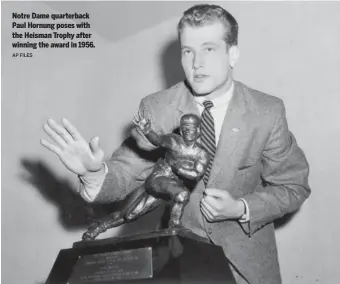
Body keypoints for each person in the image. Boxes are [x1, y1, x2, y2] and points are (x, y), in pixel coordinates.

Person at [41, 4, 311, 284]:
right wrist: (93, 173)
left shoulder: (267, 112)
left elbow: (293, 186)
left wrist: (242, 208)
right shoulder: (157, 108)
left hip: (246, 269)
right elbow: (127, 172)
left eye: (209, 49)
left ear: (233, 54)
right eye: (187, 51)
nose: (197, 63)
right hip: (178, 266)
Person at [82, 113, 210, 240]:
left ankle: (98, 227)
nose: (187, 131)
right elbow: (159, 141)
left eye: (191, 128)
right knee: (182, 194)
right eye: (184, 127)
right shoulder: (174, 141)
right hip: (158, 179)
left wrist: (178, 167)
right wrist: (148, 131)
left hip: (169, 188)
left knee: (130, 215)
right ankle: (175, 225)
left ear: (198, 130)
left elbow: (196, 174)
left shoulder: (201, 154)